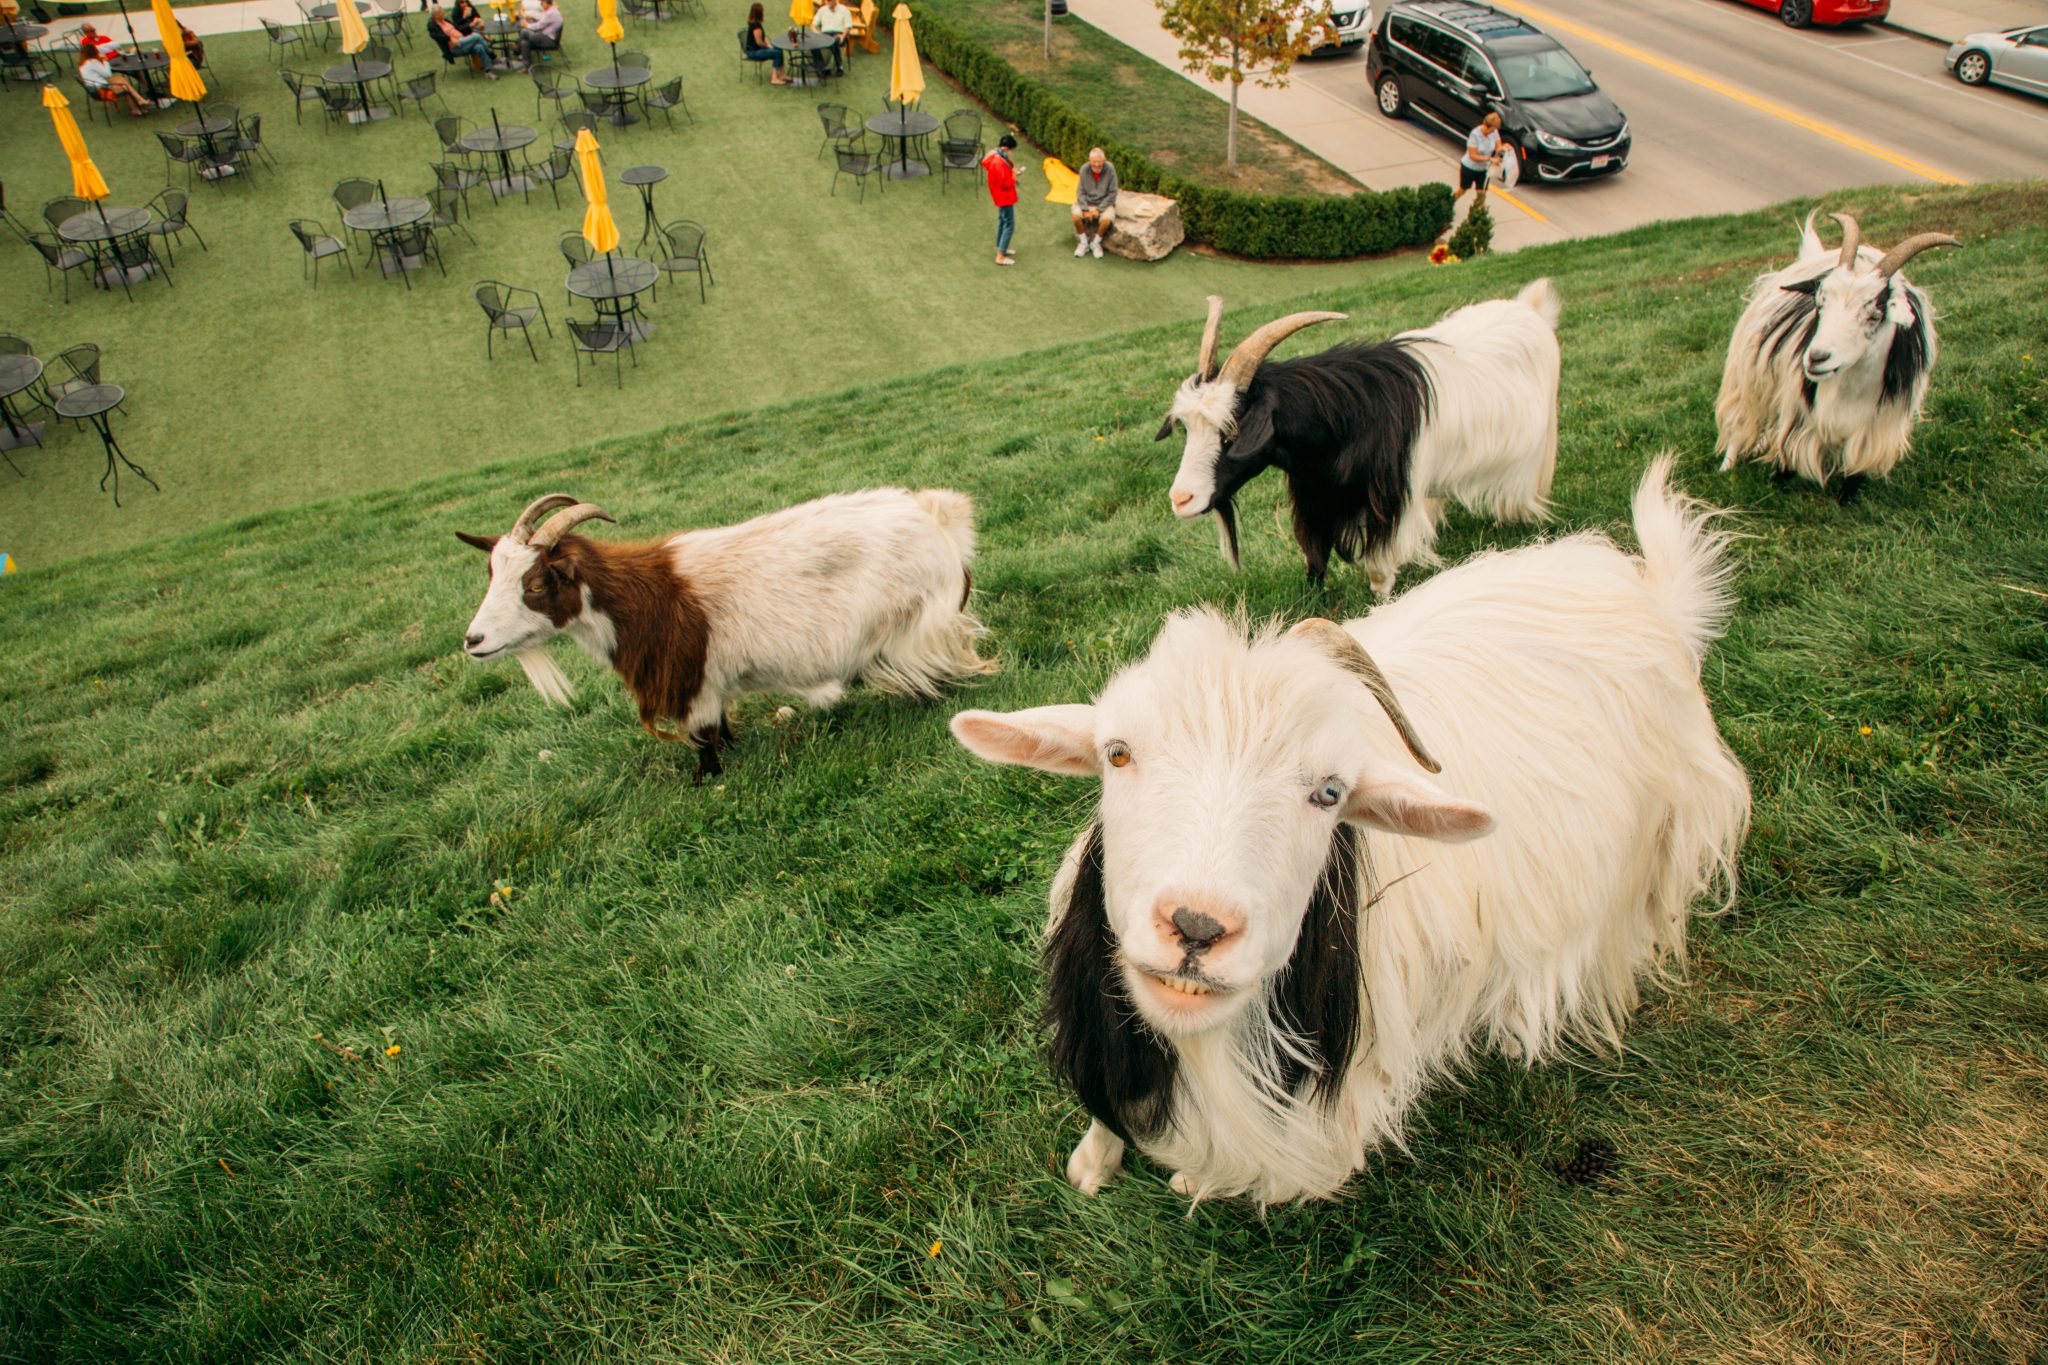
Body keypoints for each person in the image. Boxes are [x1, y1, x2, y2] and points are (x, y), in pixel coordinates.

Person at [1071, 146, 1117, 259]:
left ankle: (1095, 242)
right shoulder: (1084, 169)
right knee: (1076, 217)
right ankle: (1083, 243)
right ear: (1089, 161)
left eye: (1099, 162)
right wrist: (1085, 209)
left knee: (1106, 220)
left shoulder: (1110, 169)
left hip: (1104, 204)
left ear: (1104, 161)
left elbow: (1112, 193)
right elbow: (1080, 191)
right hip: (1087, 202)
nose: (1096, 165)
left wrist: (1099, 210)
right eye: (1094, 162)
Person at [429, 3, 498, 75]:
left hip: (463, 41)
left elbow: (458, 28)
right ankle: (492, 55)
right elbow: (436, 35)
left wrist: (471, 25)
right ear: (435, 16)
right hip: (455, 47)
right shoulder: (432, 25)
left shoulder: (445, 20)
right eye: (441, 13)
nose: (443, 14)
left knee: (479, 47)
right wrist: (449, 38)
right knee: (476, 36)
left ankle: (488, 70)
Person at [982, 132, 1018, 267]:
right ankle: (1000, 255)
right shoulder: (999, 162)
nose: (1012, 153)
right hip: (1004, 196)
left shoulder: (995, 157)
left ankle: (1001, 246)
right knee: (1009, 224)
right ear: (1007, 149)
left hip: (999, 195)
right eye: (1012, 150)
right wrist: (1014, 176)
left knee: (1002, 221)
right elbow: (1006, 183)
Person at [1456, 111, 1503, 212]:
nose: (1494, 132)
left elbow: (1498, 146)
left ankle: (1477, 214)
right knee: (1463, 189)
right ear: (1487, 126)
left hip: (1483, 169)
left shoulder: (1494, 132)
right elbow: (1473, 155)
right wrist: (1489, 159)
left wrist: (1502, 149)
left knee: (1481, 193)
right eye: (1493, 129)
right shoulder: (1475, 135)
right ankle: (1450, 201)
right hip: (1470, 167)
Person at [78, 49, 150, 116]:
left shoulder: (83, 63)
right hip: (102, 91)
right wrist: (105, 61)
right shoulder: (93, 62)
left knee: (120, 79)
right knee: (125, 87)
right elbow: (108, 74)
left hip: (94, 89)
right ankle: (138, 105)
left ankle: (138, 102)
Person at [741, 4, 787, 85]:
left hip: (757, 50)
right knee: (777, 53)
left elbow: (763, 37)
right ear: (759, 13)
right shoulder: (756, 26)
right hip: (754, 52)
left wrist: (769, 45)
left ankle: (782, 75)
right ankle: (774, 78)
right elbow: (759, 42)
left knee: (778, 48)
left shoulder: (756, 23)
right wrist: (768, 47)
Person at [514, 0, 561, 68]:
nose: (541, 4)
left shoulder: (550, 14)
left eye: (542, 3)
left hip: (547, 39)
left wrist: (527, 25)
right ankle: (527, 66)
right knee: (525, 42)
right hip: (544, 35)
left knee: (524, 32)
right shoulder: (551, 12)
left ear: (547, 3)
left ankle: (518, 46)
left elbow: (538, 26)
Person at [814, 0, 850, 75]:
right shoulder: (822, 10)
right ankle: (823, 66)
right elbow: (813, 24)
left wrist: (843, 36)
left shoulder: (844, 10)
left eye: (830, 0)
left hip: (839, 34)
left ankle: (839, 66)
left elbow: (848, 26)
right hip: (825, 34)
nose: (828, 2)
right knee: (813, 44)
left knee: (835, 40)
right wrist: (817, 33)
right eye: (827, 0)